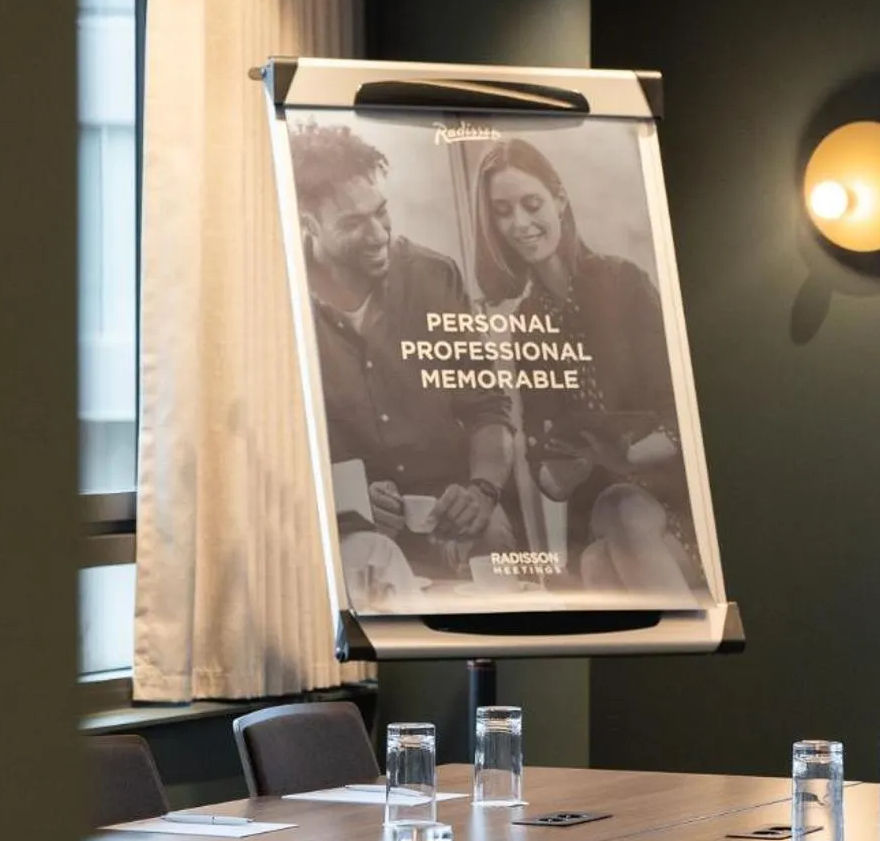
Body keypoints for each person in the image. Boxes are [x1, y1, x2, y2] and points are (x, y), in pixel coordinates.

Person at [472, 137, 702, 598]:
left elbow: (684, 416)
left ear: (559, 200)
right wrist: (569, 467)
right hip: (601, 513)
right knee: (607, 531)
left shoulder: (623, 282)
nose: (520, 223)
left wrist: (625, 458)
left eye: (531, 204)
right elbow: (545, 472)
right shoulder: (526, 321)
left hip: (674, 503)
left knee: (609, 539)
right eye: (502, 212)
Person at [289, 121, 513, 589]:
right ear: (308, 224)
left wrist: (482, 491)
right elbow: (277, 448)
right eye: (352, 224)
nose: (378, 235)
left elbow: (488, 408)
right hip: (348, 528)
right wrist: (348, 500)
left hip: (451, 510)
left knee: (496, 540)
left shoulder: (434, 276)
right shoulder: (279, 302)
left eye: (380, 212)